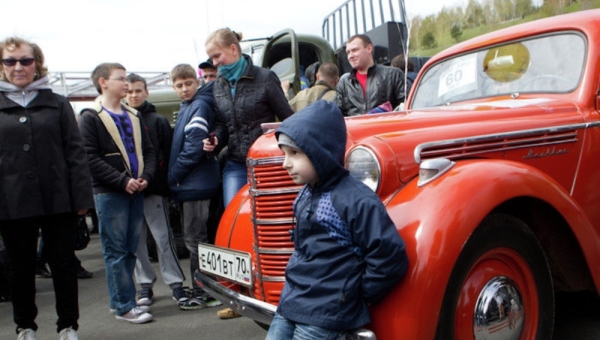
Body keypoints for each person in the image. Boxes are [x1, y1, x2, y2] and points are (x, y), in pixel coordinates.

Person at [265, 100, 409, 339]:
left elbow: (388, 255)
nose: (285, 163)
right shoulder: (306, 193)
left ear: (319, 150)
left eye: (294, 153)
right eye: (284, 153)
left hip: (327, 312)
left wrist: (356, 294)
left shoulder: (356, 200)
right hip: (293, 301)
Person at [0, 36, 94, 340]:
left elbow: (75, 154)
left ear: (36, 63)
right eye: (10, 61)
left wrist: (81, 197)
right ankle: (25, 326)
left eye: (26, 60)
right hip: (12, 201)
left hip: (59, 199)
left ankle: (68, 325)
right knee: (20, 268)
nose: (18, 67)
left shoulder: (57, 103)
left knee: (63, 264)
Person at [203, 28, 294, 319]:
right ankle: (237, 296)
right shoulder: (218, 85)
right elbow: (221, 124)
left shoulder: (265, 78)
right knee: (234, 228)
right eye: (211, 58)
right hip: (234, 163)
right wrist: (215, 138)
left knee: (269, 229)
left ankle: (281, 289)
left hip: (265, 164)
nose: (214, 62)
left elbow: (288, 118)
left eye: (216, 55)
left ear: (233, 49)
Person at [78, 63, 156, 324]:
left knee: (130, 249)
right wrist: (122, 181)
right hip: (110, 193)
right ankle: (123, 305)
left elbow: (149, 152)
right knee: (116, 251)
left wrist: (145, 177)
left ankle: (124, 300)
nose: (126, 83)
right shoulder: (90, 116)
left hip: (134, 190)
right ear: (103, 82)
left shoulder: (133, 115)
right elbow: (89, 158)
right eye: (120, 79)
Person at [125, 73, 187, 308]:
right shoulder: (120, 120)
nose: (133, 94)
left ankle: (176, 283)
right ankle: (144, 286)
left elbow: (167, 154)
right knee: (137, 240)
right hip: (128, 190)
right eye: (129, 90)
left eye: (138, 90)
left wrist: (163, 185)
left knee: (163, 238)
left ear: (146, 92)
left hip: (154, 190)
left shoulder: (157, 121)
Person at [167, 64, 221, 310]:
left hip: (194, 185)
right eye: (179, 85)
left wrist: (173, 176)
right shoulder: (189, 106)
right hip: (193, 183)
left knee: (195, 241)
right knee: (197, 239)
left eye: (188, 83)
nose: (184, 88)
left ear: (196, 82)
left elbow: (193, 148)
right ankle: (203, 286)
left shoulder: (198, 106)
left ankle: (205, 290)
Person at [336, 34, 408, 116]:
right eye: (348, 52)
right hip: (355, 128)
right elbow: (338, 116)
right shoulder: (344, 84)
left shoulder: (393, 75)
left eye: (355, 50)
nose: (350, 56)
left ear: (369, 48)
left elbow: (408, 107)